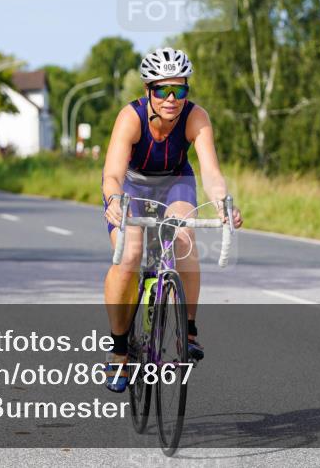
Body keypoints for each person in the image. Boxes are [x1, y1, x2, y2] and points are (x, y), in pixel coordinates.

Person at [100, 47, 242, 393]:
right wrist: (114, 200)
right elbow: (112, 174)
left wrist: (222, 203)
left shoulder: (196, 117)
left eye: (179, 90)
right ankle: (119, 350)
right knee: (130, 254)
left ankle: (188, 329)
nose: (171, 99)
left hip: (176, 182)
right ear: (148, 90)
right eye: (162, 90)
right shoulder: (130, 117)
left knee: (184, 240)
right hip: (132, 185)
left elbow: (211, 172)